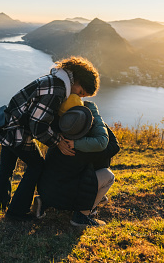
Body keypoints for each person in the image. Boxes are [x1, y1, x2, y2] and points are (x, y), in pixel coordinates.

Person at [0, 56, 100, 221]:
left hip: (9, 124)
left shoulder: (54, 79)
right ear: (77, 81)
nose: (79, 97)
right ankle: (17, 212)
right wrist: (58, 142)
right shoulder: (58, 89)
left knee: (6, 167)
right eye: (81, 92)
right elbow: (38, 125)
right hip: (18, 131)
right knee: (37, 165)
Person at [35, 95, 120, 227]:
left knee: (70, 172)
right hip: (66, 196)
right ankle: (83, 215)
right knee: (108, 176)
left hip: (47, 191)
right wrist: (96, 118)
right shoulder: (85, 147)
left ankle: (43, 202)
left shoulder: (58, 138)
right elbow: (114, 146)